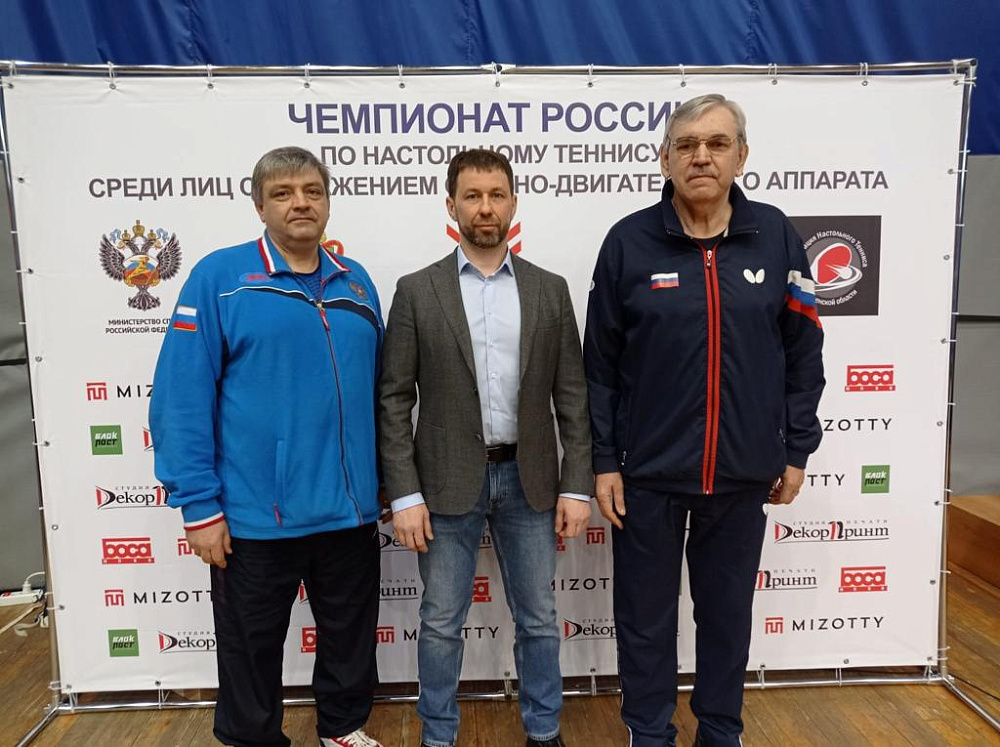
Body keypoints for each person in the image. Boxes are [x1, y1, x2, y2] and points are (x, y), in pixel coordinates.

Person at [584, 94, 825, 747]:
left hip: (744, 472)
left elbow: (804, 353)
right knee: (644, 620)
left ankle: (720, 731)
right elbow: (599, 367)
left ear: (741, 156)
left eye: (717, 143)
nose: (701, 156)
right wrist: (604, 459)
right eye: (686, 144)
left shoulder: (777, 236)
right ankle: (648, 732)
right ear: (663, 158)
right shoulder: (628, 242)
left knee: (726, 618)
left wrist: (796, 449)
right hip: (648, 476)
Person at [150, 146, 385, 747]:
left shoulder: (356, 281)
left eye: (312, 190)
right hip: (256, 518)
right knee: (249, 648)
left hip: (350, 513)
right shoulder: (220, 279)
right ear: (259, 206)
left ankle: (342, 728)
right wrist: (198, 505)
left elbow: (380, 394)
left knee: (350, 638)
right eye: (282, 193)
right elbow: (181, 396)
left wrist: (381, 484)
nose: (300, 203)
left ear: (327, 201)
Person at [379, 148, 593, 747]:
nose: (485, 207)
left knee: (540, 619)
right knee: (440, 623)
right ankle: (437, 737)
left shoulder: (549, 290)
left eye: (497, 195)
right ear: (451, 205)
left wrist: (577, 484)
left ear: (514, 203)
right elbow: (393, 399)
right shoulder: (417, 291)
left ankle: (544, 732)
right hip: (444, 484)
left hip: (530, 480)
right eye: (472, 196)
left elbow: (572, 397)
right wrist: (404, 494)